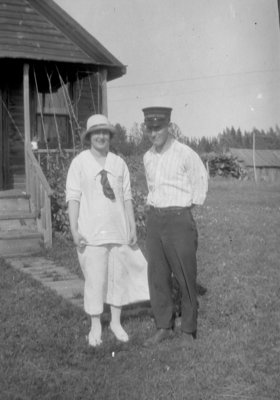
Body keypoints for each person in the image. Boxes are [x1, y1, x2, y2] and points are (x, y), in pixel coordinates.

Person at [66, 114, 149, 347]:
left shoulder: (118, 163)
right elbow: (73, 198)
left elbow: (127, 198)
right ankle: (95, 324)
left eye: (105, 132)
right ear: (89, 137)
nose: (101, 136)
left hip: (118, 229)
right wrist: (74, 229)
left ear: (110, 136)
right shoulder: (80, 163)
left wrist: (131, 225)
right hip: (91, 232)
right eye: (96, 132)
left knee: (117, 276)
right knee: (95, 278)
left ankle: (115, 321)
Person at [142, 106, 208, 347]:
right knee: (157, 275)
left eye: (158, 128)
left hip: (179, 219)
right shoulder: (148, 156)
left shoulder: (184, 153)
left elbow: (200, 179)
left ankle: (188, 330)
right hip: (155, 220)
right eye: (149, 128)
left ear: (168, 127)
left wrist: (185, 208)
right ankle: (163, 326)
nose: (153, 133)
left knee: (184, 275)